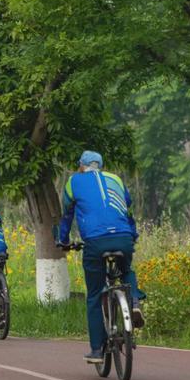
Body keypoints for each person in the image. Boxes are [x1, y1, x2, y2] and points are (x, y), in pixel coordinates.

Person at [54, 151, 145, 364]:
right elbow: (127, 208)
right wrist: (133, 235)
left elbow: (67, 215)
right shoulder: (116, 179)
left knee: (95, 294)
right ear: (101, 165)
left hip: (95, 242)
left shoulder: (73, 182)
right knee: (126, 270)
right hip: (123, 238)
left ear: (81, 165)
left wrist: (63, 240)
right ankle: (133, 303)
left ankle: (96, 350)